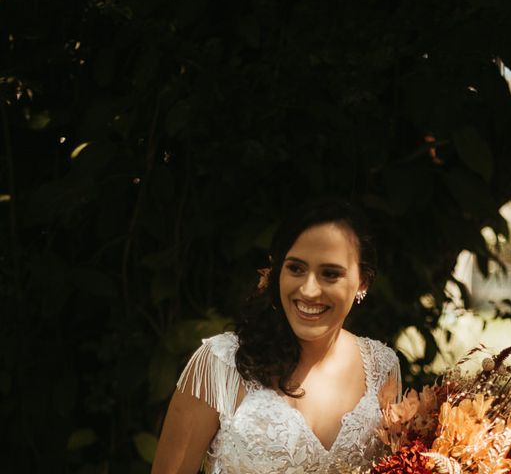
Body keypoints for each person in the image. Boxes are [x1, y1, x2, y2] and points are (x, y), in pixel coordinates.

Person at [151, 199, 401, 474]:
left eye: (330, 274)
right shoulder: (219, 365)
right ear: (277, 269)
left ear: (362, 281)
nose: (308, 290)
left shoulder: (381, 367)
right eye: (296, 268)